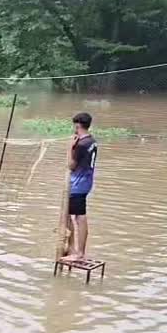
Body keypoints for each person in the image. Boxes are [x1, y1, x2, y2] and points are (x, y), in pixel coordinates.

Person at [63, 112, 98, 262]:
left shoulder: (81, 145)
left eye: (74, 126)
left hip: (78, 184)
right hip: (86, 182)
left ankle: (78, 252)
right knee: (72, 215)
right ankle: (73, 249)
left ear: (78, 125)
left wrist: (70, 148)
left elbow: (71, 165)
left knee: (77, 217)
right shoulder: (92, 141)